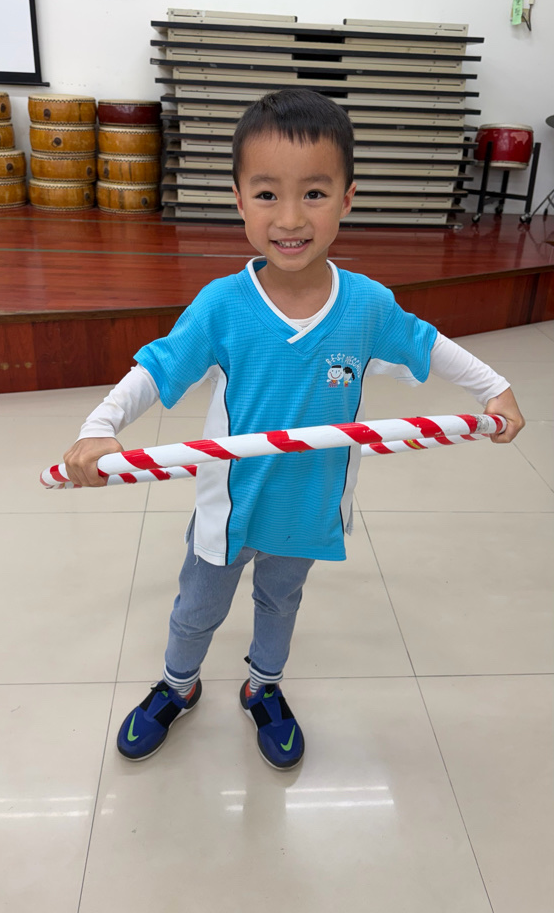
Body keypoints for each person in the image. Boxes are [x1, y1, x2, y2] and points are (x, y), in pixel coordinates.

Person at [63, 89, 525, 770]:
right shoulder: (223, 305)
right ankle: (178, 685)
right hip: (232, 506)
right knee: (197, 607)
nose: (289, 218)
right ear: (239, 200)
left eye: (314, 193)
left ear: (347, 198)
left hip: (308, 501)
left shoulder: (366, 306)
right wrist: (99, 426)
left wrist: (495, 390)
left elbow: (428, 343)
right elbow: (158, 368)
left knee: (281, 602)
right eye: (267, 194)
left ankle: (264, 685)